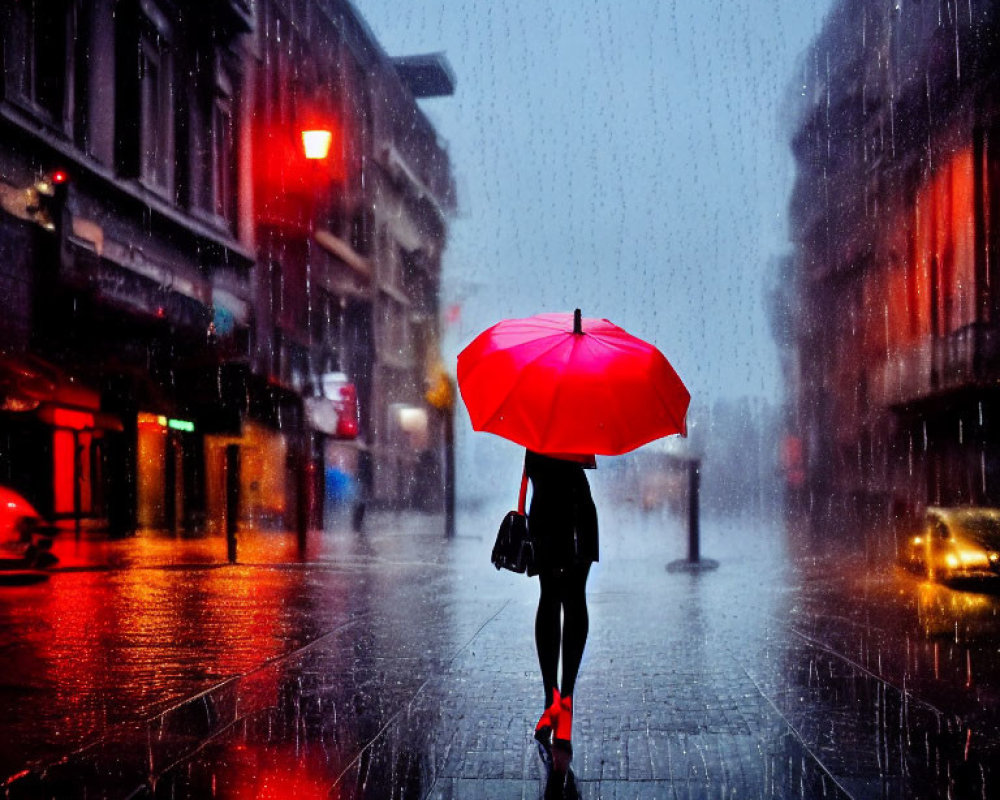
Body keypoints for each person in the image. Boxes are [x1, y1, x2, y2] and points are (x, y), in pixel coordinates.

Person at [524, 448, 598, 759]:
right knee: (573, 598)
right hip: (577, 508)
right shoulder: (582, 410)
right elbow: (586, 462)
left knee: (550, 597)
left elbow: (531, 469)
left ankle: (551, 698)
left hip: (545, 509)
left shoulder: (536, 418)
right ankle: (565, 700)